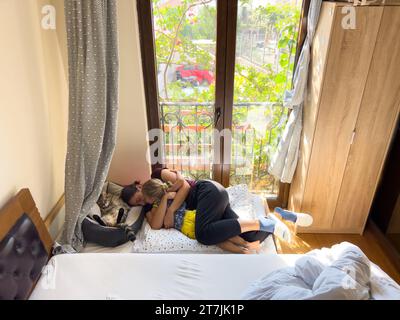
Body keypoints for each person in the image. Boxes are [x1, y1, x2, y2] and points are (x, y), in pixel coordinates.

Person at [121, 168, 313, 254]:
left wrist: (170, 209)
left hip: (206, 192)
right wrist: (163, 202)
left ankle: (264, 223)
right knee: (251, 238)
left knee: (203, 234)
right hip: (212, 204)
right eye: (136, 204)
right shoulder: (152, 203)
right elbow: (154, 224)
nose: (141, 203)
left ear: (139, 187)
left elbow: (185, 185)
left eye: (140, 199)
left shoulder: (157, 178)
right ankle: (279, 215)